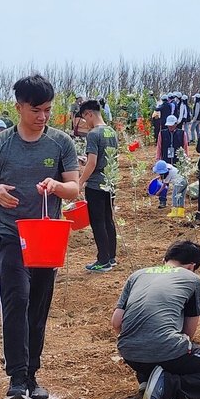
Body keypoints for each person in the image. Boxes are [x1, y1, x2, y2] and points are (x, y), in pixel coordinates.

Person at [0, 75, 80, 399]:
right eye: (36, 110)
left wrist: (56, 186)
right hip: (10, 234)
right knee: (16, 297)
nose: (42, 117)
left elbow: (74, 187)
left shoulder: (61, 143)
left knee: (38, 304)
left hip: (46, 236)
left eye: (47, 110)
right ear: (19, 107)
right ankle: (17, 377)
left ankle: (33, 373)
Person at [112, 240, 200, 399]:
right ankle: (167, 386)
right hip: (165, 350)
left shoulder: (137, 275)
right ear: (192, 266)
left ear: (165, 259)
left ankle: (147, 377)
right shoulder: (192, 279)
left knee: (162, 348)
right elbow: (189, 332)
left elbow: (116, 322)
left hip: (130, 354)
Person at [78, 99, 118, 273]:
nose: (85, 122)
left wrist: (80, 182)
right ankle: (111, 256)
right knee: (108, 220)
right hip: (110, 181)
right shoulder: (111, 132)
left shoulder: (93, 134)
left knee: (98, 222)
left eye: (84, 118)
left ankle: (103, 260)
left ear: (89, 114)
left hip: (95, 184)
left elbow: (92, 163)